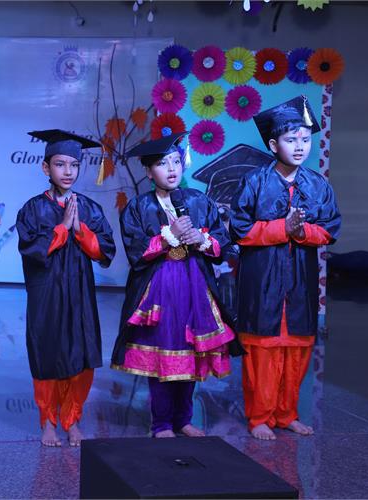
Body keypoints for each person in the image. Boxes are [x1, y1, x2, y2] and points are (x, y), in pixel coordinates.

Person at [229, 95, 341, 440]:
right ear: (273, 144)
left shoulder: (318, 185)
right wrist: (282, 228)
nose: (300, 146)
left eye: (305, 139)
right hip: (262, 279)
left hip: (300, 281)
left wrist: (302, 232)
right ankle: (260, 417)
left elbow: (330, 228)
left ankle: (286, 413)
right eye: (291, 139)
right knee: (262, 351)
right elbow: (239, 229)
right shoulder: (254, 182)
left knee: (297, 349)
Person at [111, 132, 236, 438]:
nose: (171, 169)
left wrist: (202, 239)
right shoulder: (138, 207)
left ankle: (184, 419)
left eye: (176, 162)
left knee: (190, 351)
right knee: (162, 352)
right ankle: (161, 423)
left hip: (195, 285)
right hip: (160, 289)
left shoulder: (198, 201)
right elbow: (136, 251)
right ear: (148, 171)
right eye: (162, 163)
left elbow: (222, 241)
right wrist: (170, 236)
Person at [16, 129, 116, 447]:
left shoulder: (90, 208)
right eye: (60, 164)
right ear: (46, 168)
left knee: (81, 356)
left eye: (74, 165)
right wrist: (61, 229)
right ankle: (47, 421)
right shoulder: (32, 209)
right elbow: (32, 249)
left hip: (79, 294)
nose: (68, 171)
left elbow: (105, 251)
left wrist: (80, 230)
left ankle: (72, 419)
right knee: (47, 355)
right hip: (46, 294)